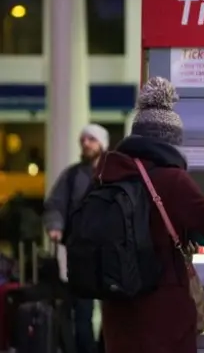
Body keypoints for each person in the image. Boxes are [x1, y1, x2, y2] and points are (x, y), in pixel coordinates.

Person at [98, 77, 204, 353]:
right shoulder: (172, 179)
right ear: (170, 142)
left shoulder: (105, 175)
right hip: (162, 310)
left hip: (118, 310)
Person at [44, 123, 110, 353]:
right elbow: (55, 204)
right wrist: (55, 226)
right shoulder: (72, 176)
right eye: (83, 140)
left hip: (109, 251)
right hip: (79, 252)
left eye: (91, 139)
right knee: (81, 310)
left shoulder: (112, 173)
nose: (86, 144)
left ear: (102, 144)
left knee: (112, 308)